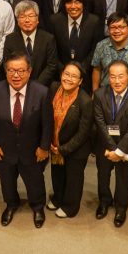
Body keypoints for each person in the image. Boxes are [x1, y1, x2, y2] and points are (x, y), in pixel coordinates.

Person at [0, 53, 52, 228]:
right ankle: (11, 204)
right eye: (11, 70)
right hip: (4, 149)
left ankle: (37, 207)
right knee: (7, 181)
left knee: (35, 181)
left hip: (33, 150)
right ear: (5, 71)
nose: (16, 75)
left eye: (21, 71)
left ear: (29, 71)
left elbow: (47, 124)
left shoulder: (42, 92)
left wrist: (44, 147)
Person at [93, 60, 128, 227]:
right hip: (105, 145)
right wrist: (112, 148)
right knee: (103, 176)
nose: (117, 81)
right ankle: (104, 201)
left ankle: (121, 208)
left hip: (127, 147)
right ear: (108, 77)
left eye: (121, 76)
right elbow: (100, 123)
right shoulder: (99, 95)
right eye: (113, 76)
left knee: (124, 179)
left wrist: (119, 151)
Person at [46, 62, 93, 219]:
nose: (68, 78)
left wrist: (63, 149)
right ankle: (58, 198)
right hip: (55, 144)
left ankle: (70, 206)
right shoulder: (54, 88)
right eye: (66, 74)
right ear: (61, 75)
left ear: (80, 81)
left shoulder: (85, 101)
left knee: (73, 178)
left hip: (76, 148)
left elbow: (83, 133)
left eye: (74, 76)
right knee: (57, 174)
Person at [49, 0, 102, 91]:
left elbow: (95, 49)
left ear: (83, 4)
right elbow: (52, 49)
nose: (73, 6)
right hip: (61, 75)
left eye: (77, 2)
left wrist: (80, 69)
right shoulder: (55, 20)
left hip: (85, 75)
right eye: (69, 2)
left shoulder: (94, 21)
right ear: (64, 4)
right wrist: (64, 70)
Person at [3, 0, 59, 88]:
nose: (27, 20)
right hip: (17, 85)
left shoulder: (48, 38)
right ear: (17, 21)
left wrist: (36, 86)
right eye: (22, 16)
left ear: (37, 19)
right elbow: (7, 64)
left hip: (42, 87)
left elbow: (51, 66)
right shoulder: (10, 39)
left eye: (31, 16)